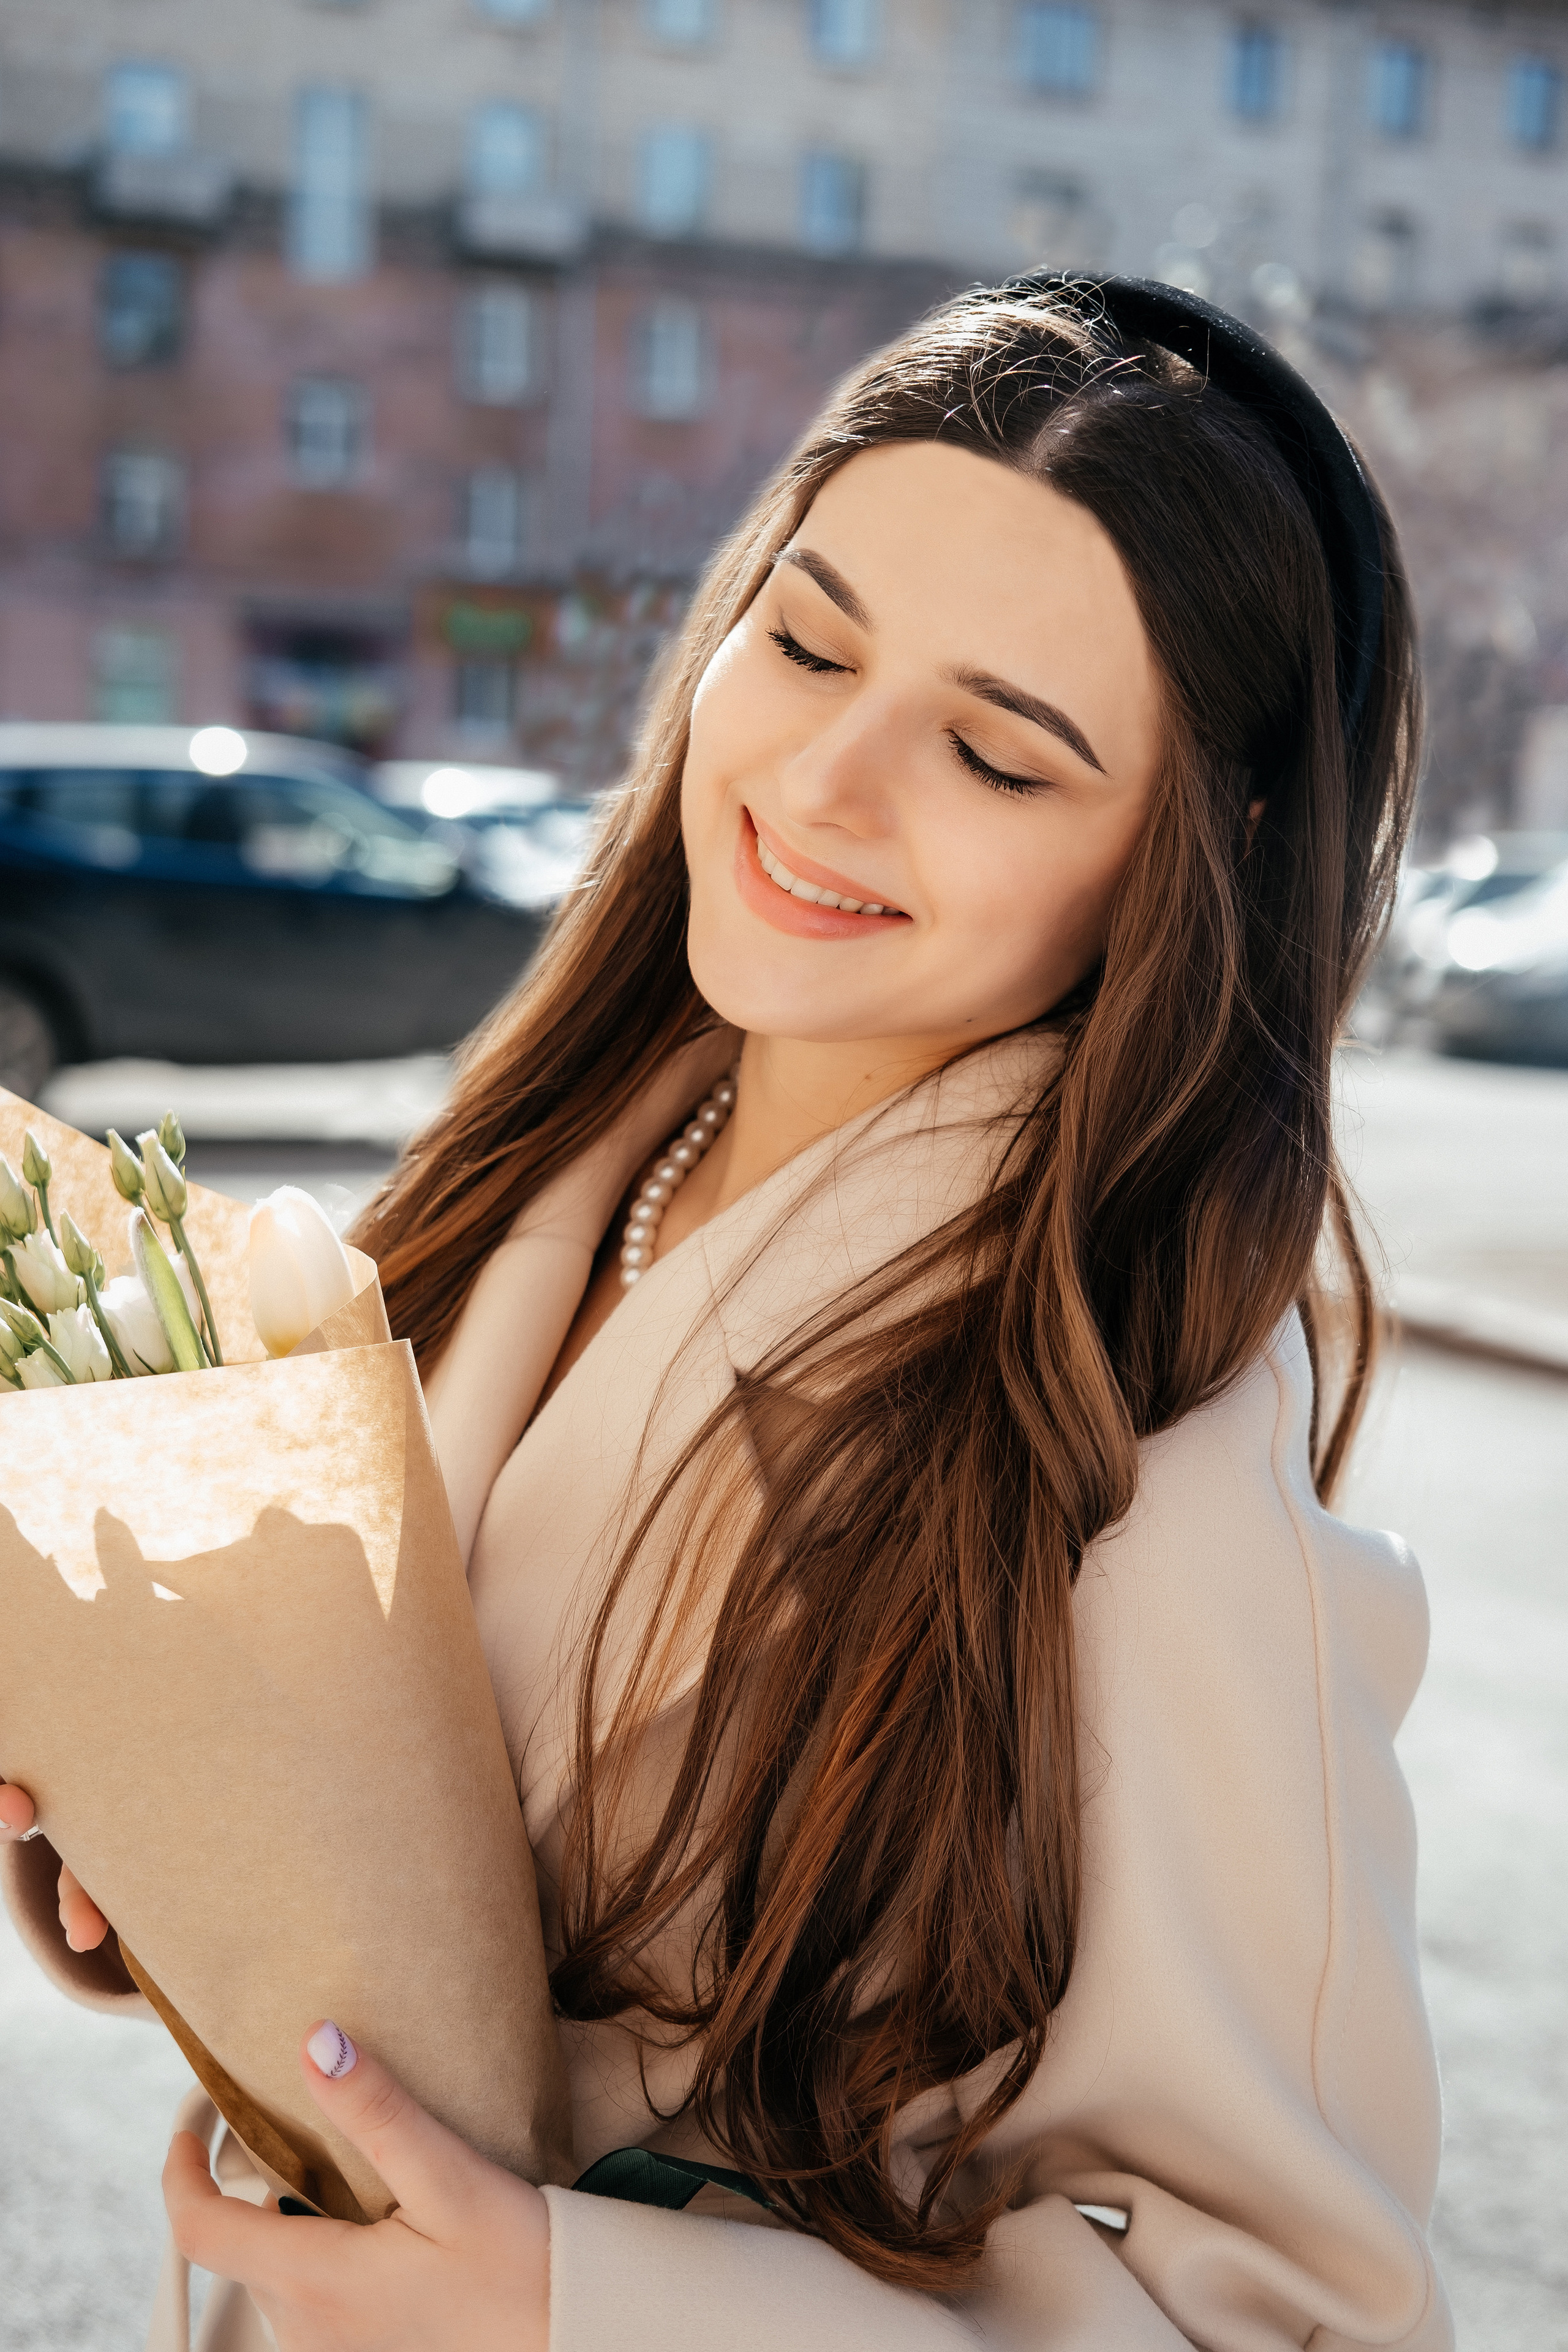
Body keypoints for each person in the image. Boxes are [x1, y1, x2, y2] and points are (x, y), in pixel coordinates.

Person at [1, 277, 1451, 2351]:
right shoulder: (541, 1174)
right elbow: (435, 1871)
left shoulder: (1141, 1460)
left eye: (993, 753)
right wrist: (186, 1853)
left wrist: (578, 2296)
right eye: (806, 639)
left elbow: (1301, 2319)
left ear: (1187, 854)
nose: (824, 784)